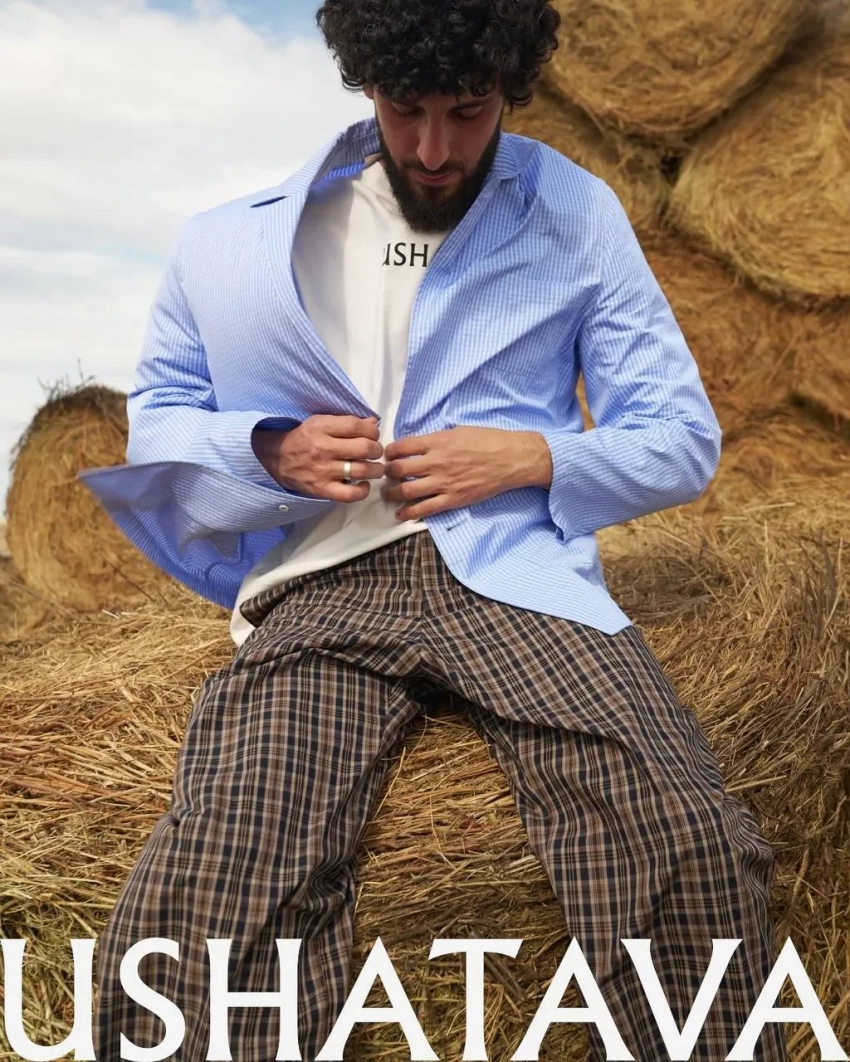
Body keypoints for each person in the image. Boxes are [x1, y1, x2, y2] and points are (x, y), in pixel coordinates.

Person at [80, 1, 788, 1058]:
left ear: (512, 85)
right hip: (325, 583)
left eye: (469, 110)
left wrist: (532, 456)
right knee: (223, 869)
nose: (435, 148)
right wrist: (268, 449)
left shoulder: (576, 213)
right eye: (406, 109)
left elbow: (679, 437)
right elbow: (162, 417)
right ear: (365, 83)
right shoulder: (236, 242)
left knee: (684, 840)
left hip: (516, 575)